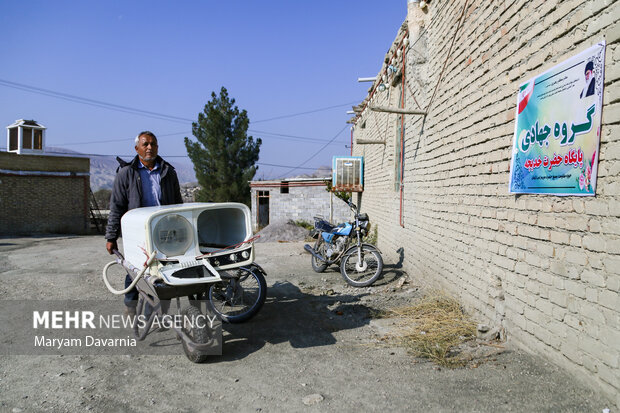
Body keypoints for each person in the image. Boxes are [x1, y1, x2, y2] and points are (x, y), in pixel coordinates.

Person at [105, 131, 183, 315]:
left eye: (153, 144)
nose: (149, 147)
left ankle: (158, 311)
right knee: (135, 269)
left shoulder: (168, 172)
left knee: (164, 270)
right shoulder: (127, 173)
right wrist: (111, 236)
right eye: (145, 144)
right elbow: (116, 206)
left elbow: (178, 203)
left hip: (164, 230)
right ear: (136, 148)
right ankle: (130, 304)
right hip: (137, 231)